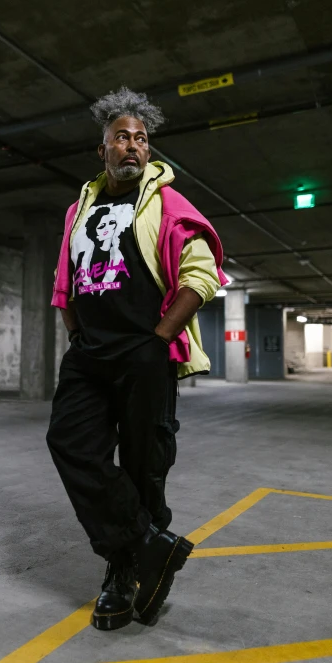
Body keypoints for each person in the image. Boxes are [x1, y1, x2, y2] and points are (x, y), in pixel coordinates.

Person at [47, 86, 227, 631]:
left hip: (143, 353)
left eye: (141, 139)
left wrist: (159, 336)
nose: (132, 146)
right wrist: (76, 332)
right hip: (90, 354)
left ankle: (124, 574)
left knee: (146, 466)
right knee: (70, 442)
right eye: (121, 137)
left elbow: (203, 273)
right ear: (102, 149)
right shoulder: (79, 210)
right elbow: (66, 282)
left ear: (149, 151)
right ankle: (149, 545)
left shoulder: (166, 203)